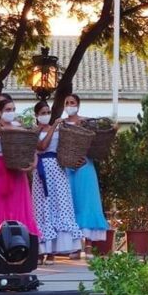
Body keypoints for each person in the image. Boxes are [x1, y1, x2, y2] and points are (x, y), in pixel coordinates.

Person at [0, 96, 39, 238]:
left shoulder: (19, 127)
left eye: (13, 109)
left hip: (16, 172)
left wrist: (33, 162)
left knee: (18, 207)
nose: (11, 112)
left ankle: (22, 240)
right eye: (7, 109)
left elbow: (30, 147)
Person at [31, 100, 83, 262]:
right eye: (42, 113)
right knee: (41, 208)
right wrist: (53, 127)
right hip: (41, 169)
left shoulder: (60, 130)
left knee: (58, 206)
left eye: (48, 112)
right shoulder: (33, 131)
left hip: (57, 169)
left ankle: (53, 251)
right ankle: (40, 250)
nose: (45, 115)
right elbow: (42, 146)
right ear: (37, 115)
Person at [59, 93, 110, 254]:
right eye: (67, 102)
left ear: (78, 105)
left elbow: (95, 144)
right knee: (70, 204)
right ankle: (74, 245)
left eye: (72, 102)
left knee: (87, 202)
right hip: (67, 168)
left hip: (85, 166)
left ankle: (88, 243)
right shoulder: (61, 125)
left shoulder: (87, 122)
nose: (69, 105)